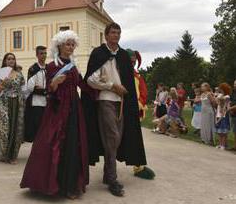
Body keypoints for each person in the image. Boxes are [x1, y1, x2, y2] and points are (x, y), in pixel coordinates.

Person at [82, 22, 155, 198]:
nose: (116, 35)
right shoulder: (98, 53)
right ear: (106, 35)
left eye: (118, 33)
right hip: (105, 101)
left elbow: (129, 81)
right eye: (112, 32)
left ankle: (108, 175)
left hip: (122, 102)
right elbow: (91, 80)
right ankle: (112, 179)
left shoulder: (122, 55)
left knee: (117, 138)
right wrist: (112, 86)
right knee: (112, 137)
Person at [20, 30, 89, 199]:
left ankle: (70, 185)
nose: (71, 47)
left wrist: (100, 86)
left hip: (73, 109)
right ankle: (52, 185)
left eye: (73, 44)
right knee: (54, 144)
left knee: (73, 144)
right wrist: (54, 84)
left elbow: (82, 83)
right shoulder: (51, 67)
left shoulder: (73, 66)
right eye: (68, 44)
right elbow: (50, 92)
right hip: (57, 111)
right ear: (59, 45)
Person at [0, 53, 25, 164]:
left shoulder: (19, 74)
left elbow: (24, 89)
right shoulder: (1, 73)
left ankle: (12, 154)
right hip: (4, 103)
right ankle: (3, 154)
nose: (11, 61)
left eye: (13, 59)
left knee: (15, 128)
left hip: (17, 103)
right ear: (5, 61)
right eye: (9, 59)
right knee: (4, 128)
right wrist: (2, 85)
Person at [24, 46, 48, 142]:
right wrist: (45, 90)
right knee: (37, 129)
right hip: (36, 103)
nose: (44, 55)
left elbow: (51, 85)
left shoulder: (48, 68)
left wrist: (42, 89)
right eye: (41, 53)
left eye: (45, 53)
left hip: (47, 103)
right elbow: (30, 87)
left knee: (46, 129)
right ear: (37, 55)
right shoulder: (33, 69)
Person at [126, 49, 147, 120]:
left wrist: (138, 104)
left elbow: (143, 93)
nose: (132, 64)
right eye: (130, 61)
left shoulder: (138, 77)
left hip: (135, 108)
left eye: (134, 62)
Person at [215, 83, 231, 150]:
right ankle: (219, 144)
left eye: (221, 88)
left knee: (223, 132)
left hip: (224, 114)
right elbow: (217, 101)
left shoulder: (227, 96)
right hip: (218, 113)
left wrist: (223, 107)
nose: (220, 90)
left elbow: (226, 105)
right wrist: (219, 100)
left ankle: (223, 145)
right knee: (219, 131)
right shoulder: (220, 95)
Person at [227, 80, 236, 151]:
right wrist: (230, 109)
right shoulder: (233, 92)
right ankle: (235, 146)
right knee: (234, 131)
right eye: (234, 84)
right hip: (233, 114)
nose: (234, 85)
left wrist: (230, 108)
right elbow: (230, 101)